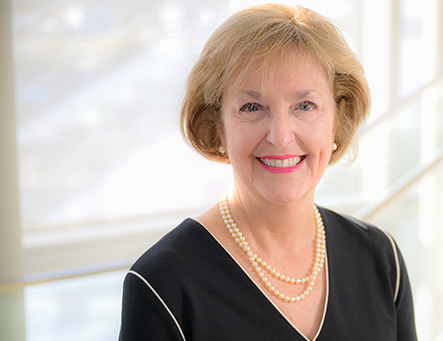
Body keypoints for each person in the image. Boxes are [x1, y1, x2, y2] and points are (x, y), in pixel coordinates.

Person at [119, 4, 417, 340]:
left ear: (337, 117)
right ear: (217, 126)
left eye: (305, 106)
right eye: (252, 107)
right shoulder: (164, 284)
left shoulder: (380, 258)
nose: (281, 135)